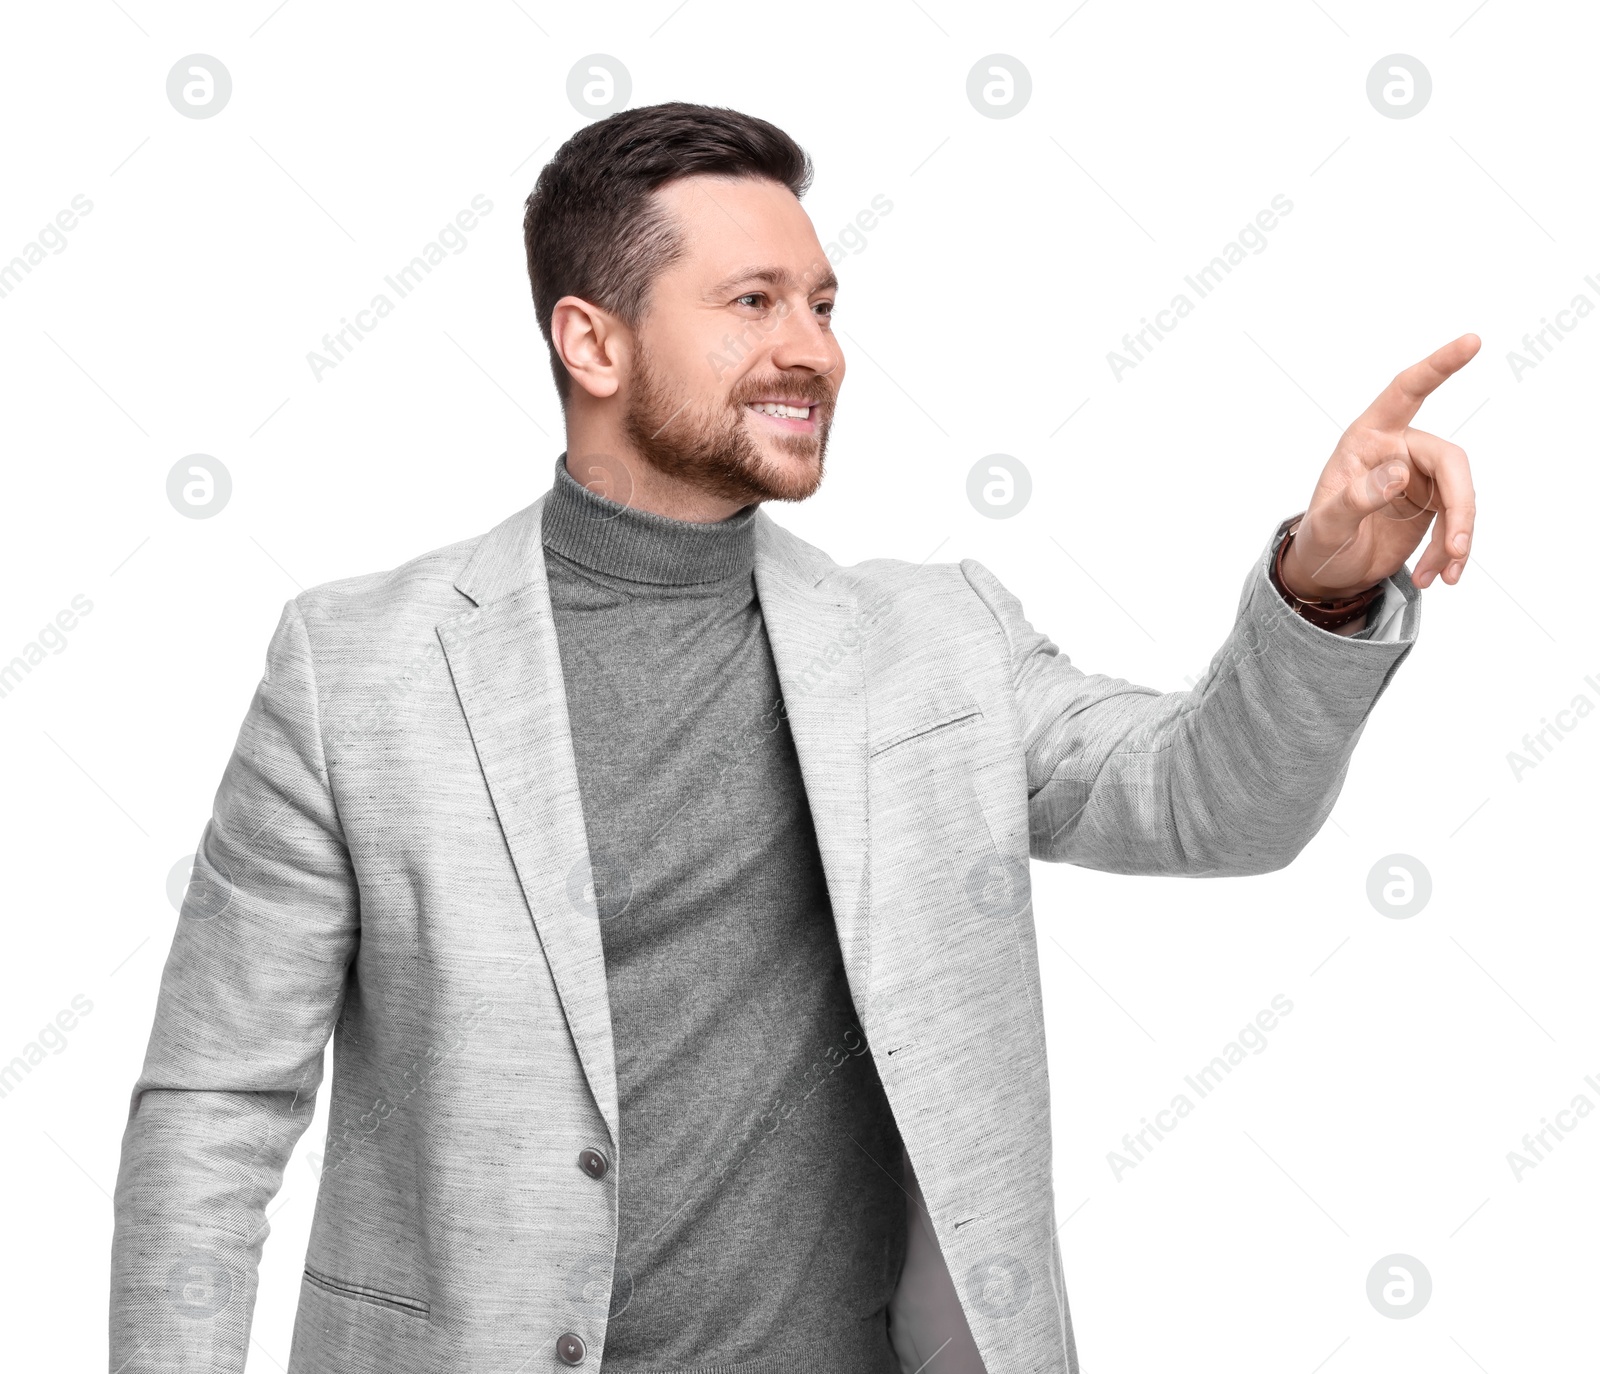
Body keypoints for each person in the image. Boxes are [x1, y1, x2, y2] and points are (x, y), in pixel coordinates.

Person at [110, 101, 1478, 1374]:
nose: (811, 348)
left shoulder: (934, 641)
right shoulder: (357, 668)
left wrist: (1326, 579)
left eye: (821, 304)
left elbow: (1207, 804)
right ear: (593, 342)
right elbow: (212, 1109)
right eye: (752, 302)